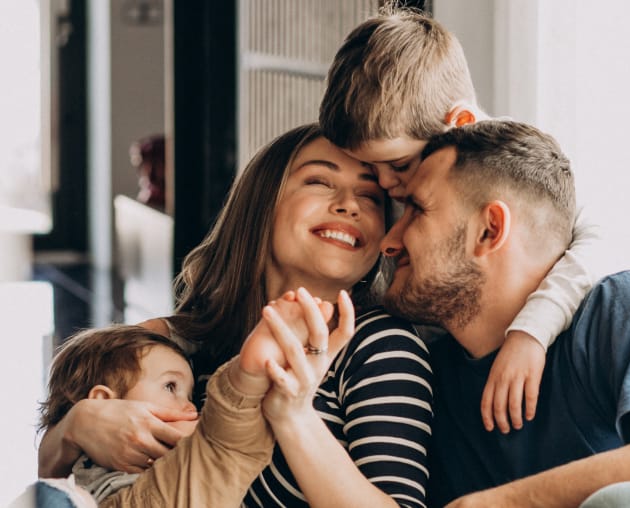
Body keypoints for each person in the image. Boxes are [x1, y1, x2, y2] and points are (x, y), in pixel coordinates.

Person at [37, 123, 434, 508]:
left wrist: (293, 415)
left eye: (370, 197)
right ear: (262, 202)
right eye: (319, 181)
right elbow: (55, 476)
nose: (349, 204)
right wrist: (77, 426)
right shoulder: (178, 339)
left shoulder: (380, 346)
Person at [378, 119, 630, 507]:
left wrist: (498, 504)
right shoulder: (418, 372)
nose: (389, 241)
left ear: (490, 230)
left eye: (416, 210)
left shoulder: (619, 310)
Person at [318, 6, 596, 433]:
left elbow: (595, 242)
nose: (387, 184)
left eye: (398, 163)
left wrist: (531, 332)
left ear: (460, 123)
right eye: (371, 168)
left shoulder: (520, 171)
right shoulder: (394, 169)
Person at [37, 325, 197, 502]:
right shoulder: (108, 484)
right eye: (170, 386)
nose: (192, 407)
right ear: (103, 403)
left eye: (190, 396)